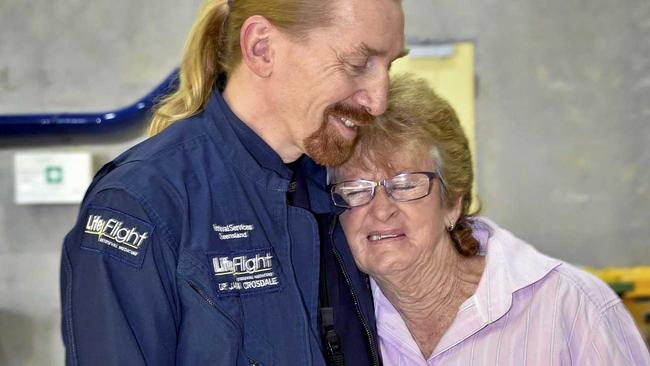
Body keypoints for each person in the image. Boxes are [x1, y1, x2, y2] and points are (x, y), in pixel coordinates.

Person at [60, 0, 405, 365]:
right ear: (261, 47)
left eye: (391, 65)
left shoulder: (345, 186)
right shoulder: (140, 204)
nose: (379, 101)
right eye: (357, 64)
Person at [328, 74, 650, 365]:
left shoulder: (573, 309)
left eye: (405, 185)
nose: (381, 209)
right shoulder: (334, 324)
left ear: (452, 201)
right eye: (356, 190)